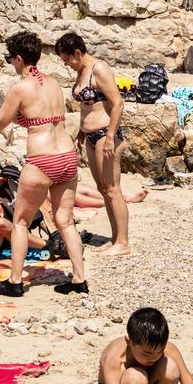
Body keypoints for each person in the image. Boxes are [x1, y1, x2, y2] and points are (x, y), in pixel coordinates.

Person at [0, 31, 86, 297]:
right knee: (66, 220)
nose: (10, 64)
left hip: (42, 159)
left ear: (19, 58)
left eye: (10, 59)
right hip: (67, 156)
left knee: (19, 222)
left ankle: (15, 282)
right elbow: (44, 119)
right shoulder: (53, 83)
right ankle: (78, 279)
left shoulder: (20, 87)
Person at [56, 32, 130, 257]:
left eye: (67, 59)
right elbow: (87, 107)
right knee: (103, 189)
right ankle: (114, 237)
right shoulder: (81, 73)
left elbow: (117, 102)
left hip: (105, 135)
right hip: (90, 136)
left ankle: (123, 242)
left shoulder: (99, 69)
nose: (66, 64)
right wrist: (80, 131)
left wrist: (109, 137)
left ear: (77, 53)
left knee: (112, 188)